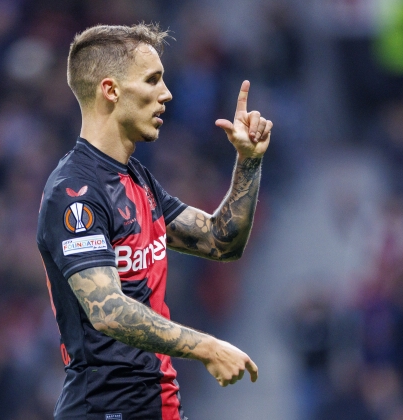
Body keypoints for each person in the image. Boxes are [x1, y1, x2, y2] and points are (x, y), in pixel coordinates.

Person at [36, 23, 272, 420]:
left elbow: (222, 240)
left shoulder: (138, 180)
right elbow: (108, 309)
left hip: (156, 406)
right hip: (106, 409)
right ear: (110, 90)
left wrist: (248, 161)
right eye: (153, 80)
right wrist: (207, 347)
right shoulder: (75, 191)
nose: (167, 94)